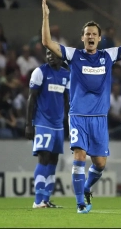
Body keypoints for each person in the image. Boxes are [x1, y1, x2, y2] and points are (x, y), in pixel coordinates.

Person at [41, 0, 121, 213]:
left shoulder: (108, 56)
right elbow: (47, 43)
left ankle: (87, 188)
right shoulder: (73, 55)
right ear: (82, 38)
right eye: (87, 34)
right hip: (78, 116)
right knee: (79, 157)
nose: (90, 37)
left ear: (99, 39)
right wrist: (45, 16)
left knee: (99, 164)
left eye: (94, 34)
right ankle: (80, 204)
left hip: (99, 119)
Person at [25, 49, 70, 208]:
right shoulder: (40, 72)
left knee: (53, 161)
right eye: (48, 54)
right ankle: (37, 201)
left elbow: (67, 101)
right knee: (43, 158)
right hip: (43, 123)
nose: (50, 56)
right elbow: (31, 98)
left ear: (61, 57)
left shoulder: (66, 75)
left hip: (58, 126)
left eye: (54, 54)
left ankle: (46, 199)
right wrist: (29, 124)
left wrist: (71, 124)